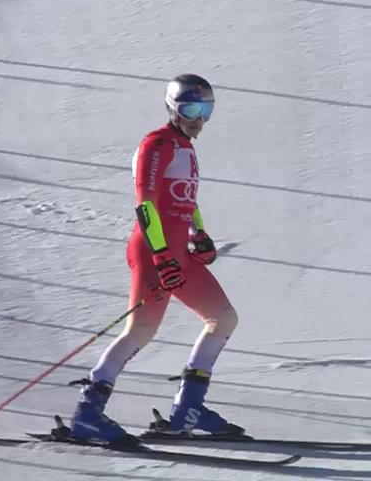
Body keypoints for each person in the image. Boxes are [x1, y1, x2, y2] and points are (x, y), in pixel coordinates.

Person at [64, 74, 242, 445]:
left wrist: (199, 233)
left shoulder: (186, 147)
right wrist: (162, 254)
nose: (198, 118)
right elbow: (145, 201)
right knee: (141, 331)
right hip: (153, 251)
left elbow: (185, 200)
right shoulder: (157, 143)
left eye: (205, 109)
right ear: (172, 108)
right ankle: (88, 414)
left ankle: (188, 410)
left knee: (223, 318)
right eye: (190, 108)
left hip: (177, 253)